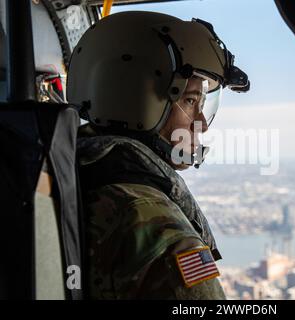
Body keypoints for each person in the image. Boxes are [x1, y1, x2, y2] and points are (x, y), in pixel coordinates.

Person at [67, 11, 249, 299]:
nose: (201, 121)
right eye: (190, 100)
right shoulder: (157, 227)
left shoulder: (72, 171)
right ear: (137, 99)